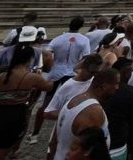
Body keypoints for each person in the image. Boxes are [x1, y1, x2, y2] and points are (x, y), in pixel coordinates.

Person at [0, 45, 53, 160]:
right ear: (30, 59)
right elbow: (48, 87)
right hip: (13, 116)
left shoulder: (0, 76)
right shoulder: (31, 77)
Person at [30, 15, 91, 144]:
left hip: (56, 72)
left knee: (46, 104)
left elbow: (47, 54)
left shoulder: (58, 39)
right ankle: (63, 133)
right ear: (81, 26)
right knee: (69, 104)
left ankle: (35, 134)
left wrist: (49, 65)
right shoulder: (84, 40)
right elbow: (86, 58)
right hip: (72, 73)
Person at [50, 68, 119, 160]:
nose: (117, 88)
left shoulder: (75, 99)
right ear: (104, 86)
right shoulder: (93, 111)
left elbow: (54, 140)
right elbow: (84, 152)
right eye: (116, 83)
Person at [104, 58, 133, 160]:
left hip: (101, 142)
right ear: (125, 73)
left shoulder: (101, 89)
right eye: (131, 72)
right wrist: (132, 148)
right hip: (118, 144)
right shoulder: (131, 93)